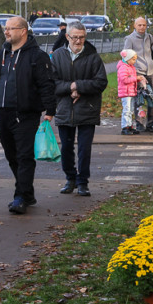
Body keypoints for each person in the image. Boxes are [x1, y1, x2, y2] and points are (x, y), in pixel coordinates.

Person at [0, 17, 57, 215]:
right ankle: (27, 193)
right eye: (6, 28)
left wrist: (50, 111)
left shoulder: (36, 57)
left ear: (23, 31)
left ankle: (20, 196)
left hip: (25, 114)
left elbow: (47, 84)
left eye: (11, 28)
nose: (6, 32)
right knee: (11, 155)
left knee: (24, 156)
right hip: (2, 113)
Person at [51, 21, 108, 197]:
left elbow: (100, 82)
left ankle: (83, 182)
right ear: (67, 36)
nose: (78, 41)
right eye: (75, 37)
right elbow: (51, 83)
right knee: (66, 148)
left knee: (84, 148)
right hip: (65, 108)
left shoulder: (93, 56)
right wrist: (71, 88)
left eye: (81, 37)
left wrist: (79, 87)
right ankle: (70, 178)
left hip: (87, 108)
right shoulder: (58, 56)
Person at [123, 16, 153, 130]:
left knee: (152, 98)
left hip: (150, 72)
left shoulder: (150, 37)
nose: (142, 27)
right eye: (139, 25)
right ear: (134, 26)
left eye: (144, 25)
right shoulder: (129, 39)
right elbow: (126, 56)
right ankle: (139, 123)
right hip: (138, 73)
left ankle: (150, 123)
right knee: (139, 100)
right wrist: (131, 72)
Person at [117, 50, 145, 135]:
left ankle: (129, 126)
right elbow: (124, 79)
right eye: (133, 59)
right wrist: (136, 78)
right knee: (126, 110)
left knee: (131, 110)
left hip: (131, 91)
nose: (134, 61)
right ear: (128, 58)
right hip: (126, 92)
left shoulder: (131, 67)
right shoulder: (123, 67)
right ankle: (125, 127)